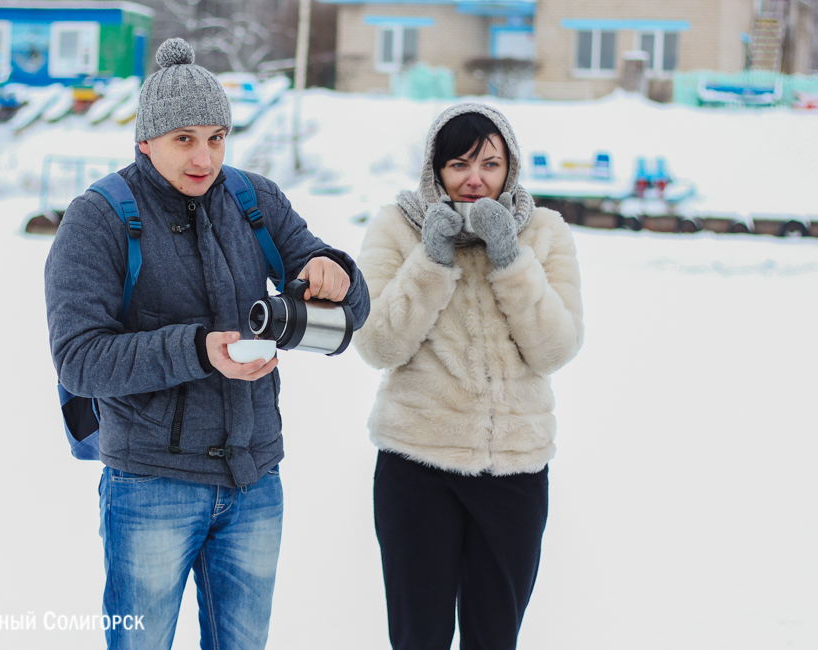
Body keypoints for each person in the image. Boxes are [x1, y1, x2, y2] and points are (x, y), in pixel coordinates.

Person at [44, 38, 369, 650]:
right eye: (184, 139)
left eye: (217, 137)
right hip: (149, 485)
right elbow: (80, 358)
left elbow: (348, 311)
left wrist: (336, 274)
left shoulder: (253, 200)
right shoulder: (99, 218)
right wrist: (197, 349)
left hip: (254, 482)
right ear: (145, 141)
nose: (204, 157)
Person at [353, 103, 584, 650]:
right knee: (418, 637)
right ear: (435, 170)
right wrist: (431, 259)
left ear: (511, 168)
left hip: (514, 472)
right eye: (458, 164)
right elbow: (377, 343)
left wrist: (510, 257)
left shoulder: (546, 232)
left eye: (489, 163)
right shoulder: (396, 227)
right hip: (417, 467)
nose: (474, 178)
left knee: (494, 638)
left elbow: (555, 348)